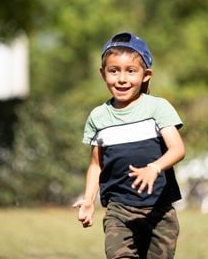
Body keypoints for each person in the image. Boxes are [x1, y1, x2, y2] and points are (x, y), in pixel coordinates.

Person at [74, 32, 186, 259]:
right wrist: (88, 200)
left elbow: (178, 149)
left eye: (131, 71)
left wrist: (153, 168)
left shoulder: (158, 108)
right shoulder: (98, 117)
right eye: (114, 70)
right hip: (119, 210)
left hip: (159, 210)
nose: (122, 79)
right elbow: (96, 165)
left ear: (146, 75)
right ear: (102, 73)